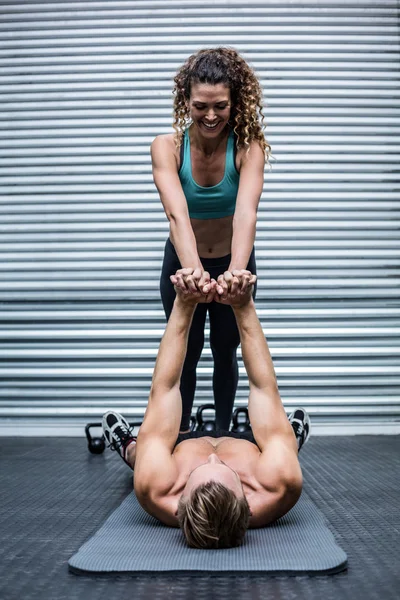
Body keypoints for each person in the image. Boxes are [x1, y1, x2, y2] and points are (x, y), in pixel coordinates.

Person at [102, 272, 311, 549]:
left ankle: (129, 448)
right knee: (281, 446)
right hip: (249, 449)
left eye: (201, 469)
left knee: (145, 454)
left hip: (180, 449)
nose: (213, 458)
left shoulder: (155, 486)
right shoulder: (279, 482)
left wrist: (184, 304)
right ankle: (290, 440)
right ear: (248, 505)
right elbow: (263, 389)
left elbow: (165, 388)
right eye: (222, 466)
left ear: (178, 506)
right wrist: (243, 305)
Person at [152, 47, 271, 432]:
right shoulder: (166, 148)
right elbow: (177, 215)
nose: (210, 115)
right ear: (185, 99)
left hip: (231, 260)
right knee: (184, 351)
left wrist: (236, 274)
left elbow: (245, 214)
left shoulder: (248, 148)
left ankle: (222, 433)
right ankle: (180, 432)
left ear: (234, 102)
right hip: (183, 264)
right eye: (200, 105)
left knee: (226, 349)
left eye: (220, 105)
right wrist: (193, 273)